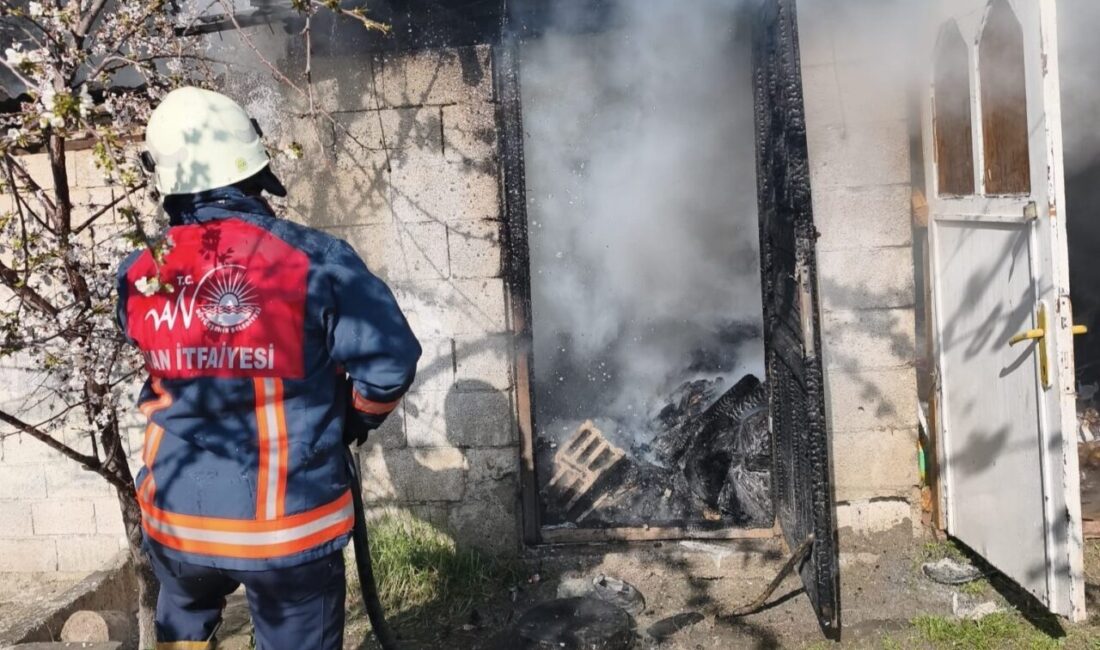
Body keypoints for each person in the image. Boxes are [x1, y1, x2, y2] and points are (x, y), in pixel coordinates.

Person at [115, 86, 421, 650]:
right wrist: (354, 420)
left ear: (162, 176)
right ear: (255, 167)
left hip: (178, 519)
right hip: (285, 531)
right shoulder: (314, 260)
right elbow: (390, 362)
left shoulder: (138, 273)